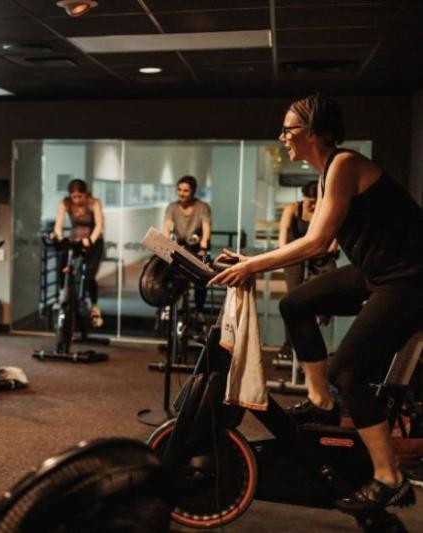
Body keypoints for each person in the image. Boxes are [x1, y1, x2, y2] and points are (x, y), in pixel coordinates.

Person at [209, 94, 423, 513]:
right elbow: (319, 242)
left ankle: (389, 477)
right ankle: (320, 399)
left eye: (288, 130)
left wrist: (253, 265)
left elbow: (317, 241)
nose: (283, 137)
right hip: (376, 272)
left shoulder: (343, 165)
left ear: (311, 131)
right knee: (296, 304)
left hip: (408, 280)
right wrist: (253, 262)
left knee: (349, 371)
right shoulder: (327, 173)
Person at [277, 180, 337, 359]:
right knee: (292, 297)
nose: (312, 203)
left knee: (331, 275)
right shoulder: (293, 209)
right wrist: (282, 253)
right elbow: (283, 232)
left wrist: (332, 246)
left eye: (316, 200)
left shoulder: (324, 210)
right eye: (309, 200)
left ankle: (324, 310)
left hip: (316, 253)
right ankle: (288, 343)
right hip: (295, 254)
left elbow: (334, 233)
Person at [54, 179, 105, 328]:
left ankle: (94, 306)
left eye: (80, 196)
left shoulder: (94, 203)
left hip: (93, 241)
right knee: (62, 266)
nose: (76, 200)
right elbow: (58, 225)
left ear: (86, 194)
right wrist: (60, 237)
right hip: (75, 239)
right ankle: (62, 296)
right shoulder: (66, 203)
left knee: (89, 275)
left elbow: (99, 225)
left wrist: (90, 240)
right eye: (74, 196)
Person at [163, 175, 211, 323]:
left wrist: (204, 244)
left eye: (186, 191)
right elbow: (166, 227)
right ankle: (169, 305)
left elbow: (206, 228)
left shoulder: (202, 207)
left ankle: (199, 309)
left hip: (196, 246)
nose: (181, 193)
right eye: (179, 190)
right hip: (179, 245)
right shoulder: (172, 207)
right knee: (167, 273)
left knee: (201, 278)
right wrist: (164, 244)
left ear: (193, 192)